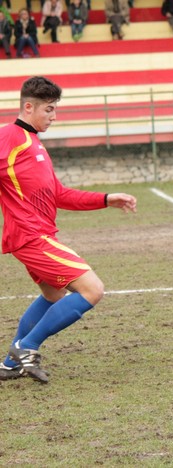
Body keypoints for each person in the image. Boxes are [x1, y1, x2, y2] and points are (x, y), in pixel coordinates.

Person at [0, 76, 138, 384]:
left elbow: (59, 195)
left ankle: (10, 363)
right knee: (92, 289)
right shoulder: (10, 136)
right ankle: (27, 347)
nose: (53, 117)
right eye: (48, 110)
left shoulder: (34, 144)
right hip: (31, 235)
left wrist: (106, 199)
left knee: (53, 294)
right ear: (28, 106)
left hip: (37, 235)